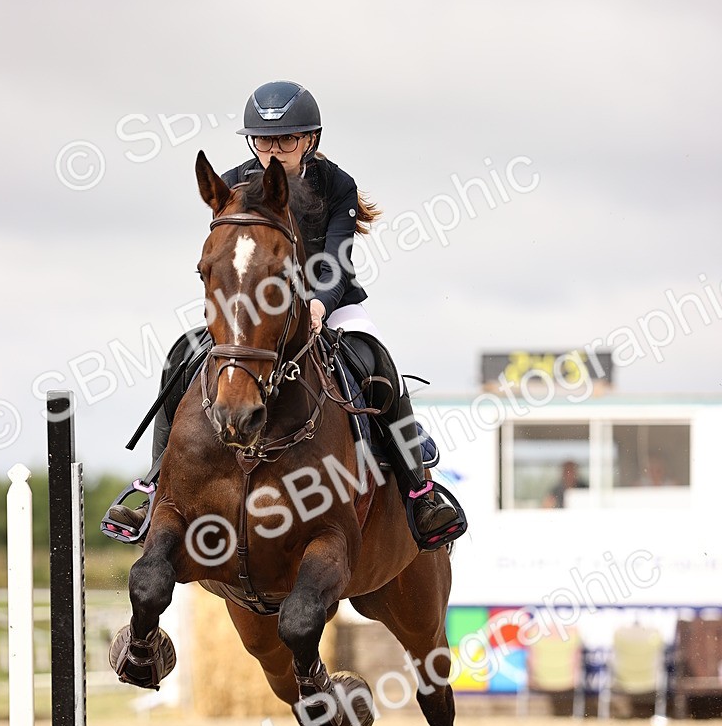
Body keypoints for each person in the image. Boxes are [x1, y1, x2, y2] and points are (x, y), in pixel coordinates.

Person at [103, 80, 464, 550]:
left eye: (286, 140)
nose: (273, 150)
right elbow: (231, 258)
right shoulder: (233, 183)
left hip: (328, 302)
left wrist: (317, 302)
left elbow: (337, 259)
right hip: (253, 315)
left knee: (376, 359)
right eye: (264, 140)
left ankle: (418, 490)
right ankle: (153, 484)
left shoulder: (337, 185)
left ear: (309, 139)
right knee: (180, 357)